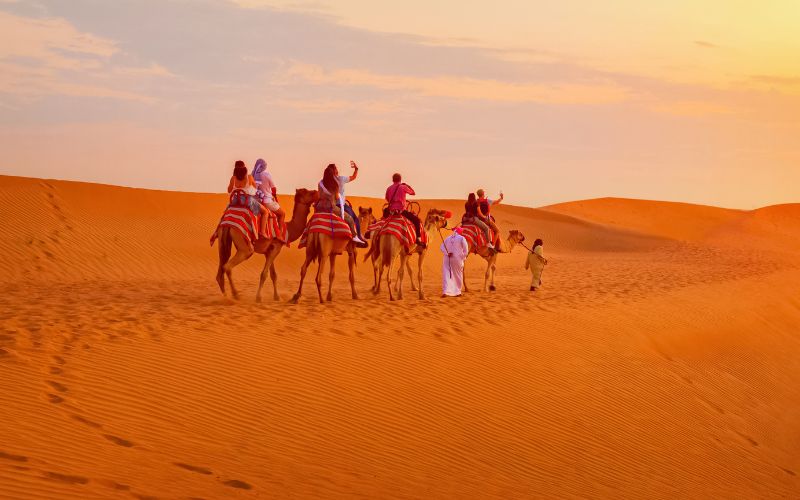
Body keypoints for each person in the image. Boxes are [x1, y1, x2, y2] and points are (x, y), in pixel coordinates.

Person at [317, 164, 366, 246]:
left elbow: (319, 195)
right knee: (352, 219)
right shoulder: (339, 180)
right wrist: (356, 169)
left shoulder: (321, 183)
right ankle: (356, 237)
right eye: (336, 168)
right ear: (334, 171)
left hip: (320, 208)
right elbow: (336, 197)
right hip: (335, 206)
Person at [227, 160, 269, 239]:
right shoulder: (249, 177)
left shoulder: (233, 178)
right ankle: (262, 232)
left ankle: (217, 231)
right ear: (244, 167)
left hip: (235, 200)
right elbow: (255, 188)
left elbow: (229, 190)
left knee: (226, 212)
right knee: (265, 212)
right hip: (247, 200)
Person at [385, 173, 423, 247]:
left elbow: (387, 198)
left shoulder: (389, 188)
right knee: (416, 220)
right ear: (400, 179)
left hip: (391, 211)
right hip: (401, 211)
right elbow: (413, 193)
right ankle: (418, 239)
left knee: (382, 221)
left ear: (393, 180)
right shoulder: (403, 187)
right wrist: (407, 186)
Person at [252, 158, 286, 231]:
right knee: (282, 214)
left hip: (257, 201)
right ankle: (280, 234)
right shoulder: (266, 174)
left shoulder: (253, 174)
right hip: (267, 200)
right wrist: (275, 198)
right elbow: (273, 188)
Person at [440, 227, 468, 297]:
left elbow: (441, 247)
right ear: (460, 232)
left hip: (447, 258)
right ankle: (458, 292)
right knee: (458, 275)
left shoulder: (448, 238)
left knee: (446, 275)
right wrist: (462, 257)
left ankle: (445, 291)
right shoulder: (462, 238)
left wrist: (447, 253)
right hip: (457, 259)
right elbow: (466, 250)